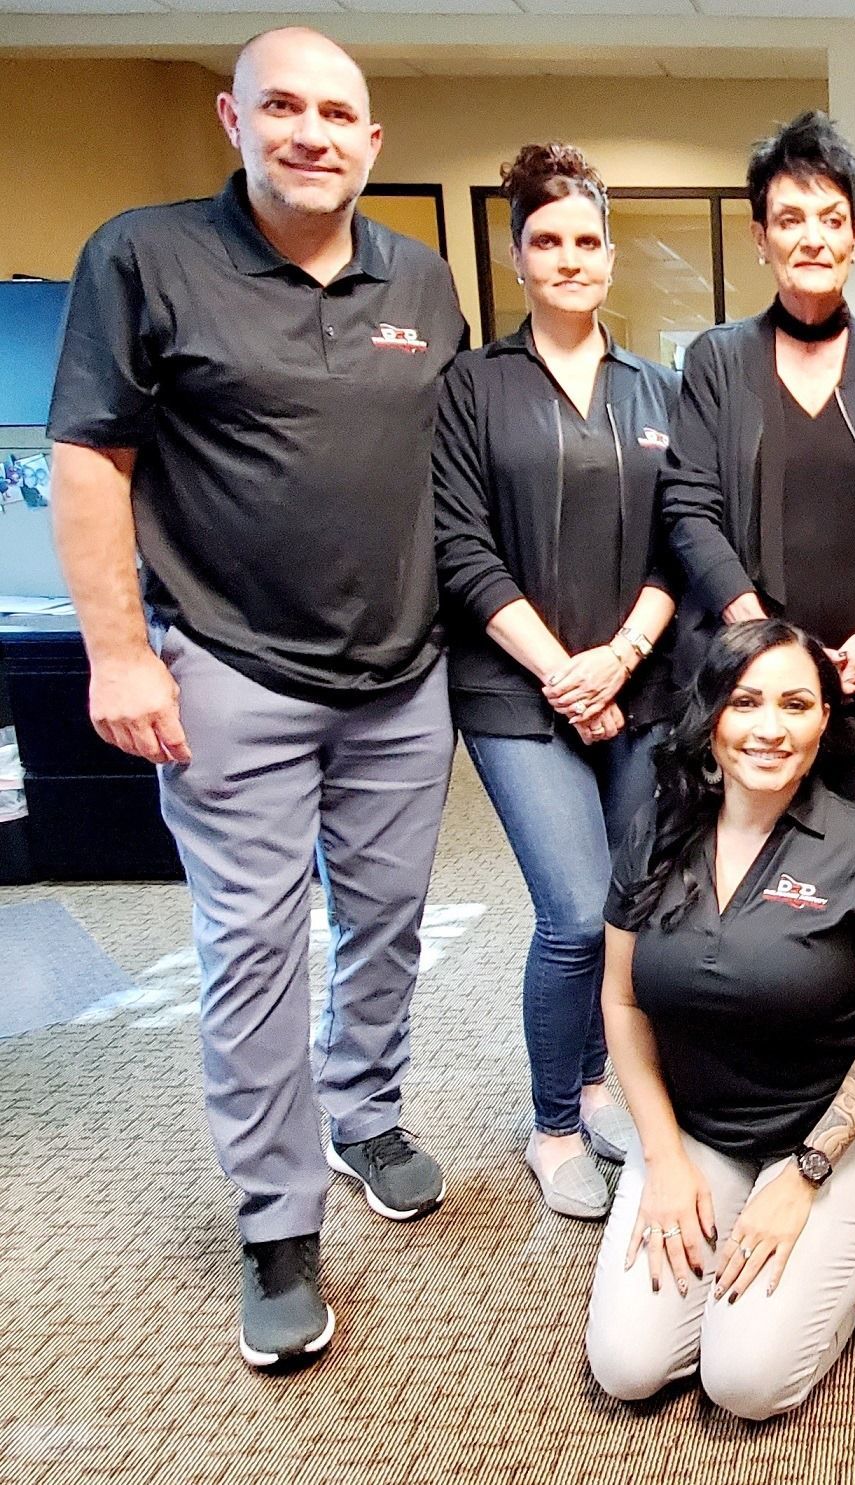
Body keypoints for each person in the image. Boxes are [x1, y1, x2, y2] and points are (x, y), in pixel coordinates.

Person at [45, 28, 466, 1368]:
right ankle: (277, 1221)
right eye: (282, 106)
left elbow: (437, 465)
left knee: (391, 923)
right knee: (252, 951)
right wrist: (120, 652)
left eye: (337, 113)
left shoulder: (423, 278)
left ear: (372, 142)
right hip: (230, 667)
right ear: (234, 117)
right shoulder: (144, 256)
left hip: (401, 674)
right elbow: (91, 461)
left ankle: (363, 1112)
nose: (310, 133)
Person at [584, 619, 855, 1420]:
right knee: (628, 1365)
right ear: (711, 713)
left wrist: (806, 1174)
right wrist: (664, 1157)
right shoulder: (656, 832)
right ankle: (745, 1244)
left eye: (795, 703)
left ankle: (853, 1243)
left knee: (743, 1381)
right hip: (700, 1130)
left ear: (823, 721)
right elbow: (622, 1000)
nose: (769, 728)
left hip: (843, 1134)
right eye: (746, 701)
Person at [432, 143, 679, 1221]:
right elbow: (459, 546)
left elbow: (686, 542)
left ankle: (595, 1084)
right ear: (518, 256)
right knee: (573, 914)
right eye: (547, 242)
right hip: (513, 694)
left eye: (587, 241)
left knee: (624, 911)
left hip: (642, 688)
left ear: (610, 257)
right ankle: (552, 1126)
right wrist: (563, 671)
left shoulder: (656, 390)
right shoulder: (473, 388)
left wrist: (619, 659)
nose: (569, 259)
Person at [661, 110, 855, 853]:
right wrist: (763, 642)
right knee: (754, 885)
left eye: (831, 218)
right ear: (760, 238)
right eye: (789, 219)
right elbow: (688, 505)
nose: (812, 237)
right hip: (754, 688)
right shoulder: (718, 362)